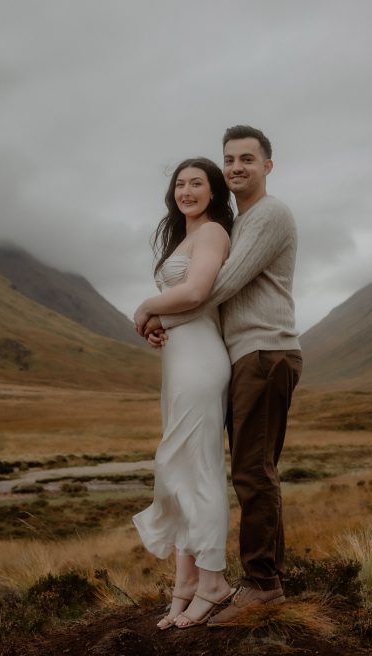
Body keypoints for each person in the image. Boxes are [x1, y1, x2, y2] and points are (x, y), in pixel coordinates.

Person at [136, 125, 302, 627]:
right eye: (229, 159)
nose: (236, 167)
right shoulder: (245, 219)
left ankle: (261, 584)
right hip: (238, 355)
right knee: (236, 468)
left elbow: (215, 287)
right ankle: (202, 580)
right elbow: (204, 294)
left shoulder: (268, 214)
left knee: (251, 471)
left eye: (247, 159)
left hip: (264, 350)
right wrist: (165, 319)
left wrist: (151, 311)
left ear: (268, 165)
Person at [131, 157, 237, 629]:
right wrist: (158, 325)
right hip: (180, 364)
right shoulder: (185, 237)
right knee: (178, 470)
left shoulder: (212, 233)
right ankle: (185, 587)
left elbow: (196, 292)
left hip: (200, 364)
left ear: (213, 191)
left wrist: (146, 308)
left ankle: (213, 581)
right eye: (180, 183)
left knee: (199, 471)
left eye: (197, 183)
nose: (187, 190)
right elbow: (186, 306)